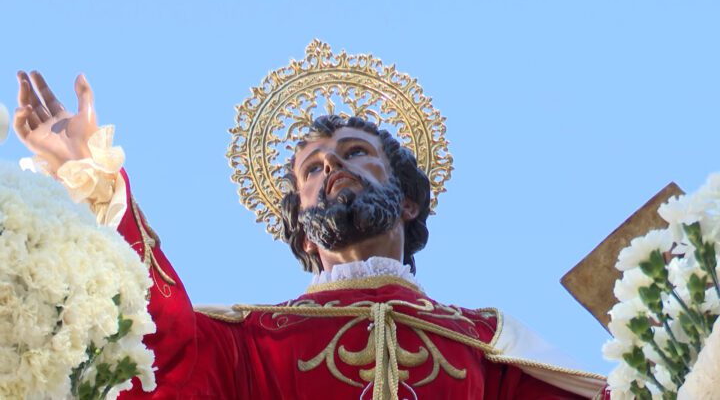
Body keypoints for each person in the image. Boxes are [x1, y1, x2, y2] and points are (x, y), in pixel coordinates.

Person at [12, 70, 608, 399]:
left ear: (407, 202)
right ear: (302, 232)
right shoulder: (250, 342)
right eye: (312, 169)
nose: (333, 166)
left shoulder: (486, 341)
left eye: (356, 153)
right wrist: (94, 178)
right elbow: (155, 342)